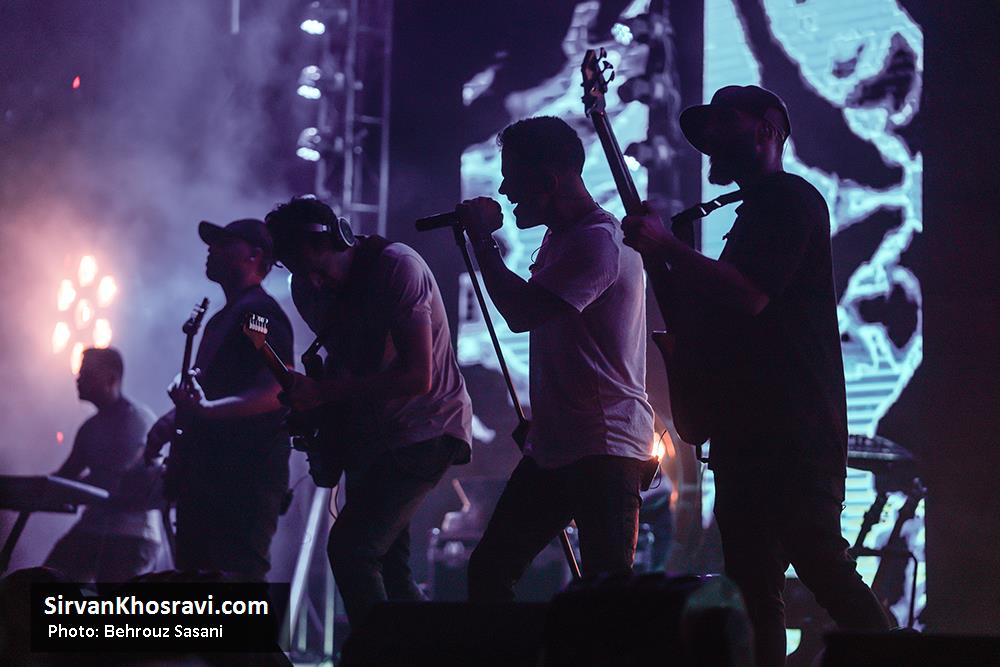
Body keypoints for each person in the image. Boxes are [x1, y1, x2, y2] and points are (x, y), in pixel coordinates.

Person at [621, 85, 892, 666]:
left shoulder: (789, 199)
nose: (710, 141)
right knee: (752, 592)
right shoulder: (752, 212)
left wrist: (667, 247)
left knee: (819, 566)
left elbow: (750, 295)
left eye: (724, 125)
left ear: (767, 130)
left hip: (791, 431)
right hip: (750, 434)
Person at [456, 116, 656, 600]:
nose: (505, 190)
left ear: (548, 181)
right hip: (560, 445)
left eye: (513, 177)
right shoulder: (562, 236)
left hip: (604, 444)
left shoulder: (597, 241)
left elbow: (523, 312)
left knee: (605, 593)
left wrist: (482, 242)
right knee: (489, 571)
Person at [265, 197, 472, 627]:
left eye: (318, 269)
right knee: (392, 570)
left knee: (351, 550)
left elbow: (418, 376)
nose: (313, 283)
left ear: (340, 238)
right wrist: (314, 407)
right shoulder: (304, 287)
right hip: (376, 437)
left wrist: (323, 393)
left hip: (427, 428)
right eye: (299, 272)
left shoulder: (397, 268)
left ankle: (378, 653)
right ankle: (424, 653)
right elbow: (349, 365)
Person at [144, 218, 293, 582]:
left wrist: (207, 412)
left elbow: (278, 387)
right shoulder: (223, 318)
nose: (212, 250)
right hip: (210, 479)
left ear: (255, 255)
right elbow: (211, 392)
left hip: (241, 480)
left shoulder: (256, 315)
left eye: (226, 243)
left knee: (233, 582)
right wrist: (172, 421)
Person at [45, 347, 161, 582]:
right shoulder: (89, 428)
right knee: (44, 580)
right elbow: (66, 476)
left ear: (111, 378)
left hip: (131, 533)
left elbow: (120, 482)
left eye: (86, 373)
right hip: (94, 528)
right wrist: (37, 487)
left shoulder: (136, 421)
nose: (78, 379)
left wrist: (64, 486)